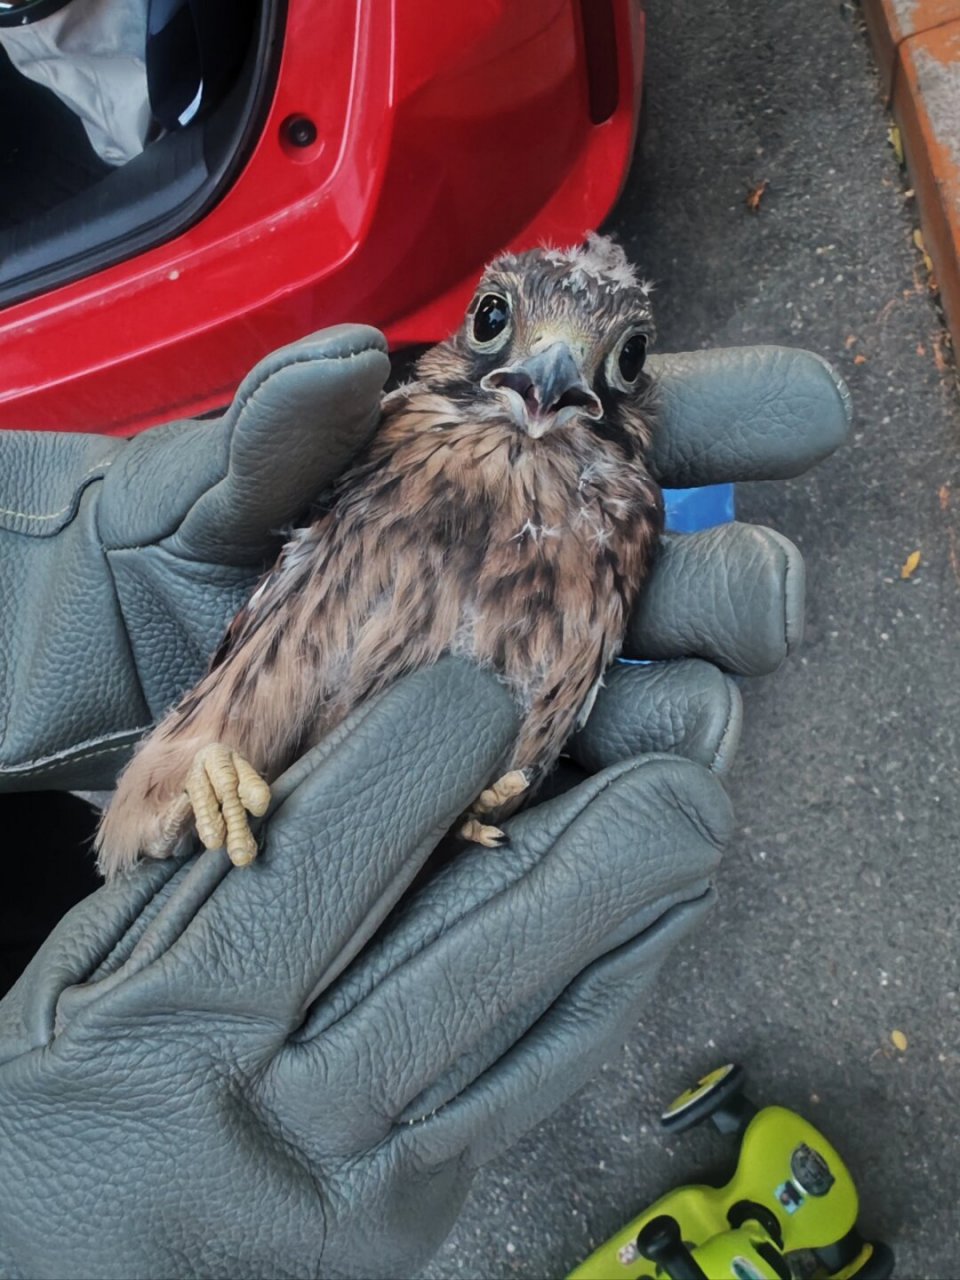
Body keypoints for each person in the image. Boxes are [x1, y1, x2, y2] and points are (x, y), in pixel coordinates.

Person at [0, 325, 849, 1279]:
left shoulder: (584, 490)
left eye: (613, 359)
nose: (554, 364)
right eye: (498, 321)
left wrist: (39, 589)